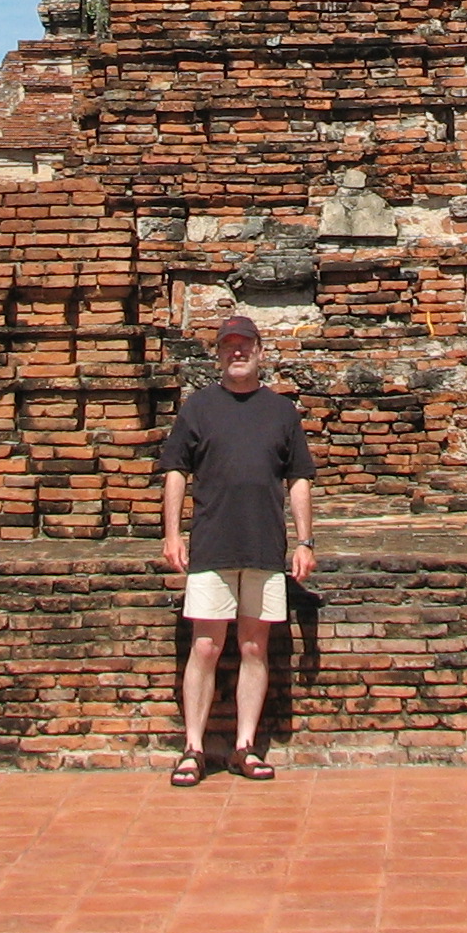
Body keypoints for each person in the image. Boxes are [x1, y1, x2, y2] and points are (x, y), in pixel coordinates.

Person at [156, 313, 315, 783]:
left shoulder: (281, 411)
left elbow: (299, 479)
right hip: (213, 542)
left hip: (264, 544)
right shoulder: (199, 408)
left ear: (260, 352)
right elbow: (176, 471)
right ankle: (193, 747)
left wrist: (305, 541)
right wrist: (171, 534)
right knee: (206, 646)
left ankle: (245, 745)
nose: (238, 352)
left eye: (245, 345)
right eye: (229, 345)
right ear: (220, 354)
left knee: (253, 645)